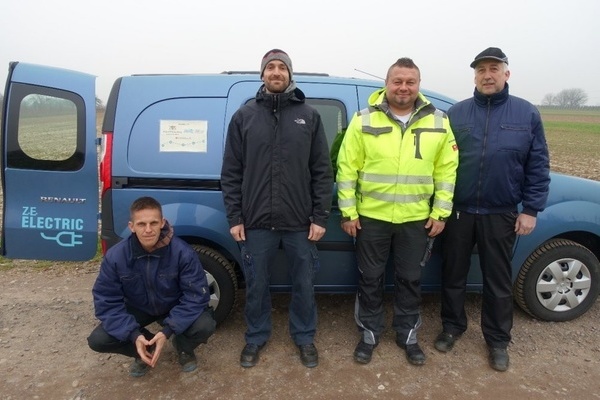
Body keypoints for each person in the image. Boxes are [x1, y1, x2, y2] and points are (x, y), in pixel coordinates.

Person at [336, 57, 458, 366]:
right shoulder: (363, 120)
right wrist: (348, 212)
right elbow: (347, 168)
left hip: (416, 219)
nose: (403, 87)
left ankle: (408, 335)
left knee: (410, 279)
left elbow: (447, 171)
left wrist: (440, 213)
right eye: (398, 81)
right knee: (369, 278)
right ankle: (369, 334)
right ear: (387, 84)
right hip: (371, 218)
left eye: (410, 82)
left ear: (418, 85)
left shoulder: (439, 121)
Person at [435, 47, 551, 372]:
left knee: (497, 281)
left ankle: (498, 341)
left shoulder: (526, 114)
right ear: (474, 76)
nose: (487, 75)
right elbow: (439, 163)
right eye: (481, 70)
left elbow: (538, 165)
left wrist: (531, 209)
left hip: (501, 213)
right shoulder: (456, 114)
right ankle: (452, 327)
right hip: (458, 211)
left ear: (506, 74)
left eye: (493, 69)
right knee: (453, 275)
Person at [220, 49, 333, 368]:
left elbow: (322, 170)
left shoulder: (308, 116)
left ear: (290, 74)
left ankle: (305, 337)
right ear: (262, 74)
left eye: (282, 67)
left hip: (300, 222)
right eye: (270, 67)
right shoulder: (244, 116)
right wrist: (235, 216)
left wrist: (320, 217)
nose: (276, 72)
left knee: (304, 284)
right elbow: (231, 171)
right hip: (256, 222)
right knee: (256, 285)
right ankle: (255, 337)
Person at [87, 196, 216, 377]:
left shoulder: (183, 252)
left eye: (153, 223)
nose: (148, 230)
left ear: (162, 223)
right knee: (98, 340)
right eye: (141, 224)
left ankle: (183, 346)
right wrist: (134, 335)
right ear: (131, 226)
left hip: (172, 305)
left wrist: (167, 331)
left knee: (205, 325)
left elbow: (196, 296)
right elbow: (106, 301)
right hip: (138, 307)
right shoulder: (115, 257)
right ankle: (145, 347)